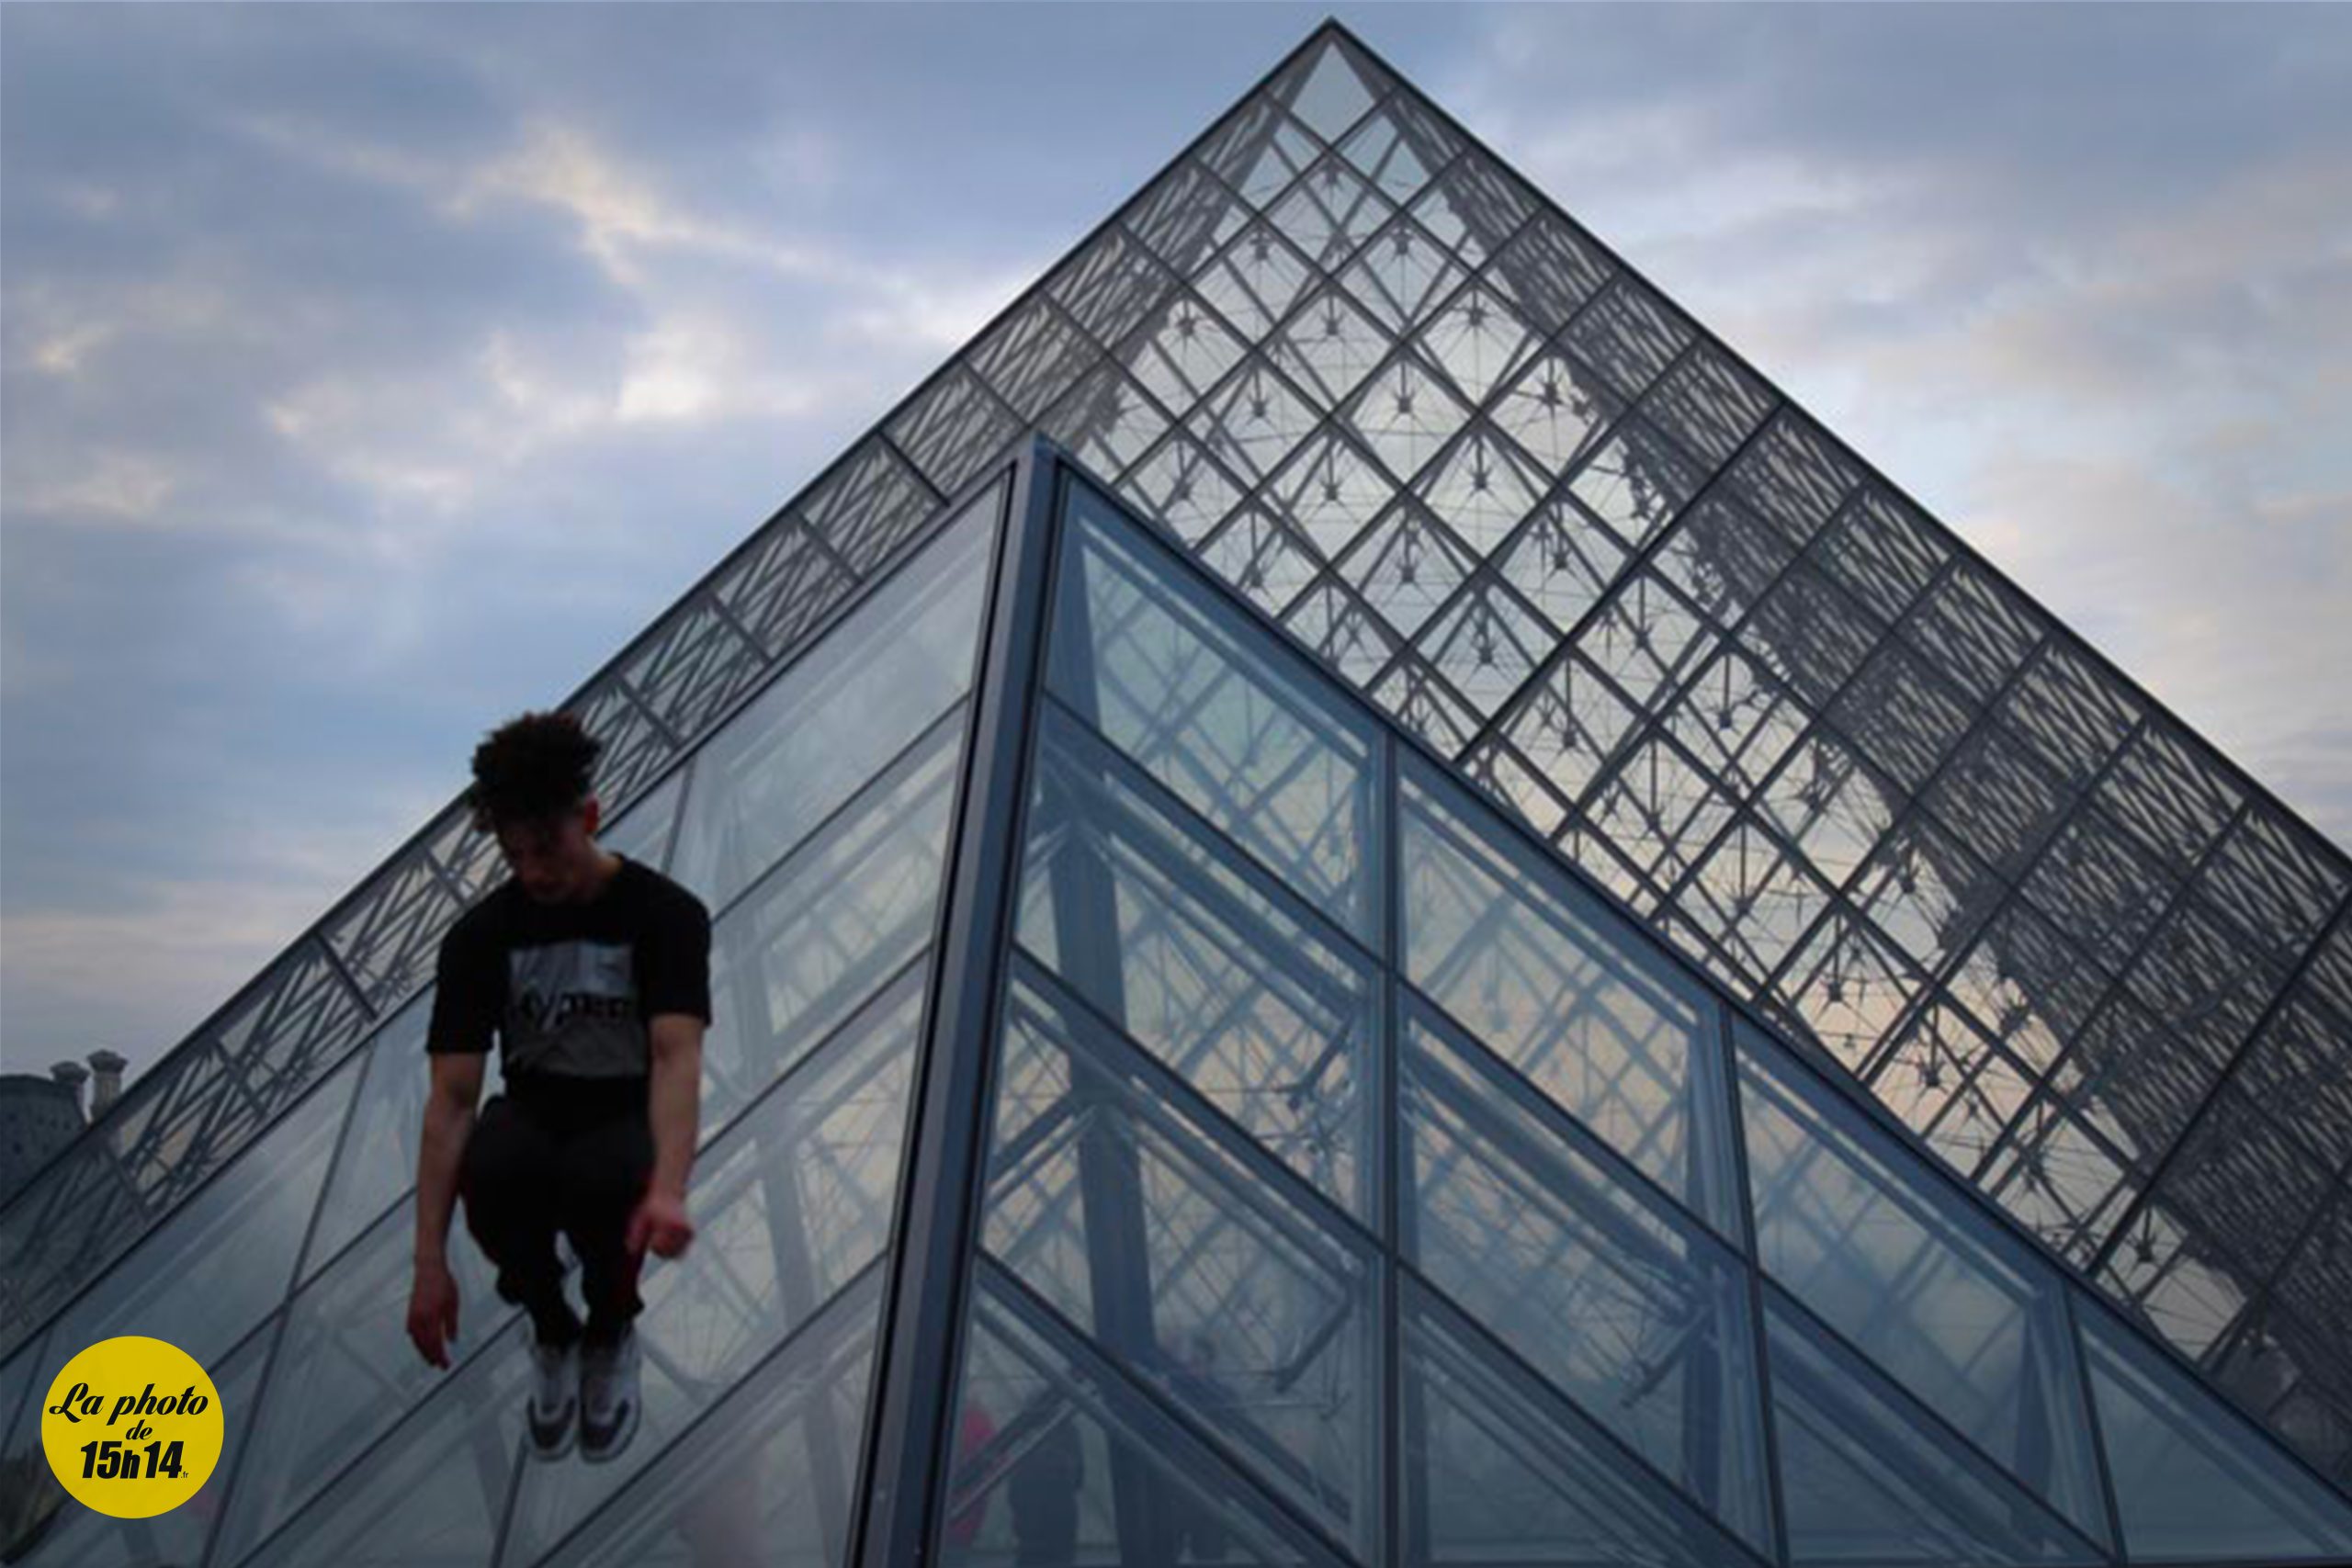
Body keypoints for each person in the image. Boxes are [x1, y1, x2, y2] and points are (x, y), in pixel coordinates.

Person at [403, 711, 712, 1465]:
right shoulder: (479, 940)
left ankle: (610, 1330)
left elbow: (676, 1056)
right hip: (535, 1105)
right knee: (497, 1167)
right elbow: (450, 1104)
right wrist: (428, 1263)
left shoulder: (665, 916)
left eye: (547, 848)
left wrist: (669, 1187)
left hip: (622, 1108)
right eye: (514, 855)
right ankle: (553, 1326)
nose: (533, 870)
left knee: (609, 1181)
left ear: (591, 816)